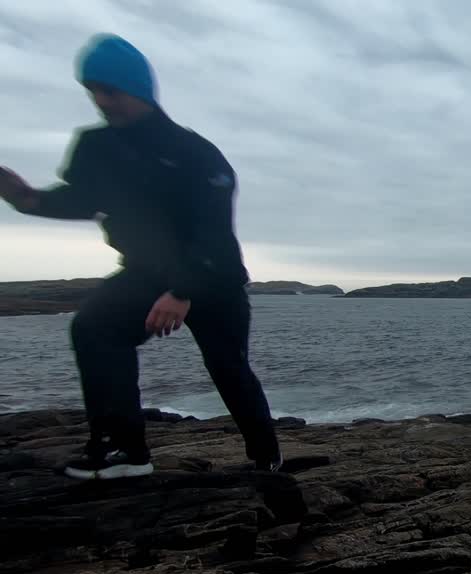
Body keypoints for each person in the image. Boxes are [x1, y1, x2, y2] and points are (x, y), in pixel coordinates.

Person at [0, 33, 281, 479]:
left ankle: (267, 458)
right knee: (94, 328)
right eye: (92, 90)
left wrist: (182, 291)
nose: (100, 100)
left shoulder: (196, 153)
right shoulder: (96, 147)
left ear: (138, 88)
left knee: (228, 367)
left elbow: (213, 230)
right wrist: (28, 200)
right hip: (145, 272)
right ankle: (124, 450)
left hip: (213, 278)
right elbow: (82, 199)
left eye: (109, 90)